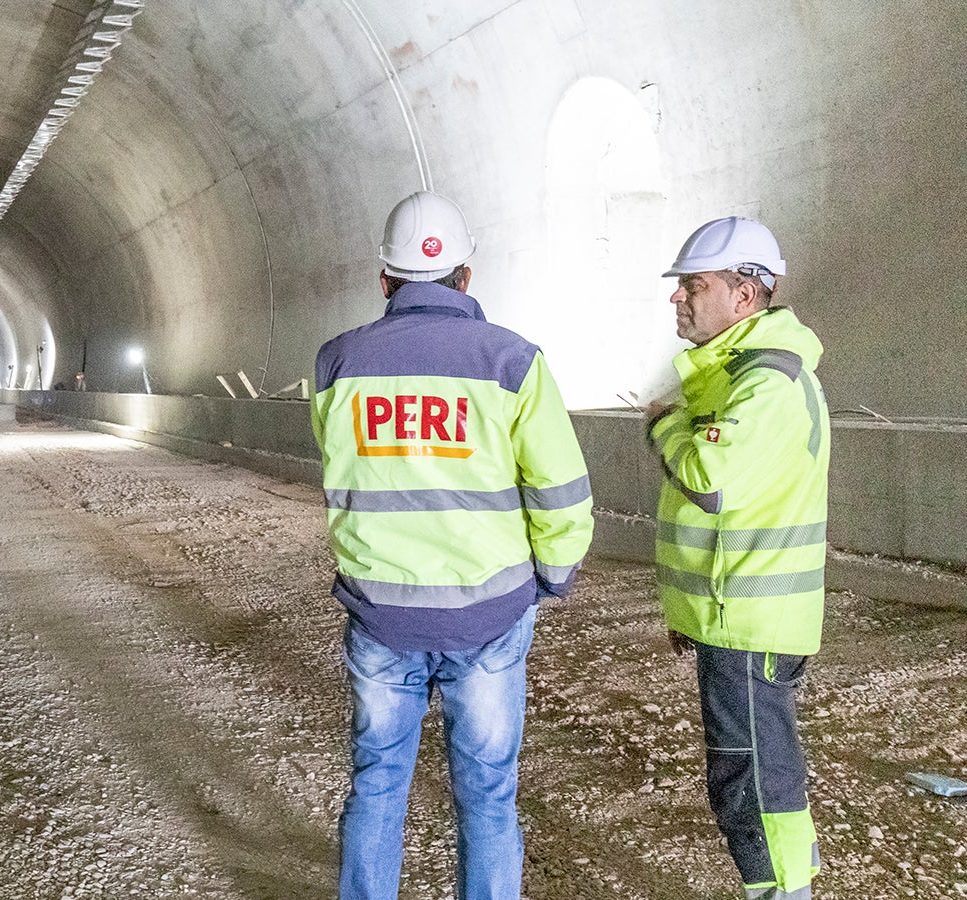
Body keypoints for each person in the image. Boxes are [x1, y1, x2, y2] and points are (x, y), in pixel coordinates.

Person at [311, 191, 594, 900]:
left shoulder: (336, 365)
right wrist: (550, 578)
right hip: (489, 616)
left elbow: (343, 470)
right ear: (466, 277)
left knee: (377, 787)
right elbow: (561, 491)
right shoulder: (512, 362)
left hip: (381, 617)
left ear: (386, 280)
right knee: (488, 798)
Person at [645, 216, 829, 899]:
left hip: (750, 624)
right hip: (735, 616)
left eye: (695, 284)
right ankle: (788, 884)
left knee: (753, 785)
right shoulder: (739, 376)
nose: (678, 298)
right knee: (758, 774)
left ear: (745, 296)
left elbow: (709, 480)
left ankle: (783, 893)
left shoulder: (766, 382)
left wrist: (663, 423)